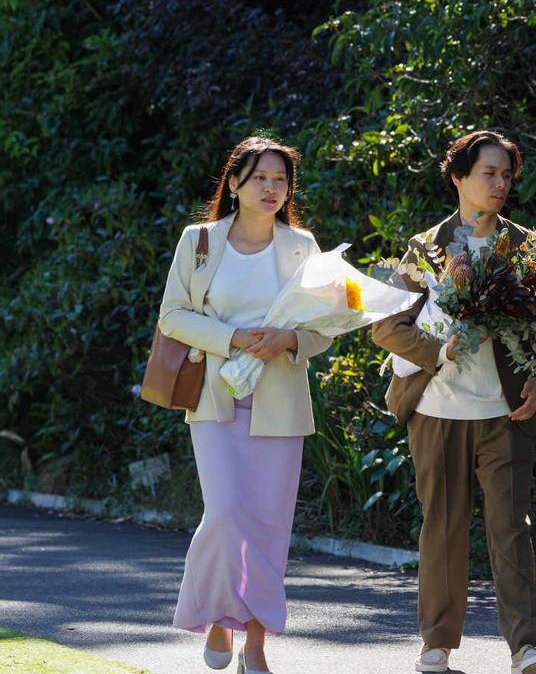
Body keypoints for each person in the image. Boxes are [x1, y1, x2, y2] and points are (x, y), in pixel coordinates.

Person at [371, 131, 536, 674]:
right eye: (488, 174)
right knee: (444, 528)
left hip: (505, 413)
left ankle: (527, 645)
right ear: (459, 177)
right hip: (436, 410)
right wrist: (438, 348)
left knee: (509, 527)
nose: (499, 184)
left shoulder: (525, 247)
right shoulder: (424, 248)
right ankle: (436, 645)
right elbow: (386, 327)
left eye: (505, 175)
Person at [160, 136, 331, 674]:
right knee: (227, 513)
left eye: (280, 180)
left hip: (280, 402)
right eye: (260, 177)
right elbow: (172, 316)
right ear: (234, 183)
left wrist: (290, 340)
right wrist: (233, 338)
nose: (271, 188)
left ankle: (255, 640)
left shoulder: (302, 245)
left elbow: (325, 326)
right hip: (215, 399)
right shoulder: (200, 241)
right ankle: (217, 614)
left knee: (270, 525)